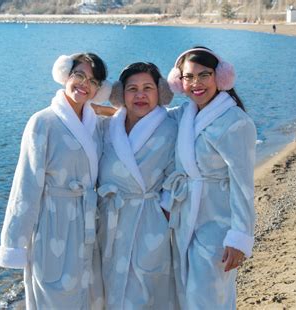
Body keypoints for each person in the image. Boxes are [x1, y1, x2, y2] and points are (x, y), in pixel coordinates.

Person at [0, 52, 111, 309]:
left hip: (89, 222)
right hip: (53, 223)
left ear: (99, 89)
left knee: (90, 295)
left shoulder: (97, 124)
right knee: (55, 294)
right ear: (65, 76)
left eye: (93, 81)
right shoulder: (43, 122)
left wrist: (98, 107)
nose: (84, 84)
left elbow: (128, 113)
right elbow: (25, 186)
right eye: (78, 75)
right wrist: (15, 244)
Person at [165, 47, 256, 308]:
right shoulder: (185, 114)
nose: (196, 84)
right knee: (187, 295)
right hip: (185, 219)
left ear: (221, 77)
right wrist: (92, 110)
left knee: (208, 297)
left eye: (203, 75)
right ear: (178, 81)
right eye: (188, 77)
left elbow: (243, 185)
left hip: (218, 222)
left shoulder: (235, 122)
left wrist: (239, 236)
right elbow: (150, 117)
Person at [97, 62, 177, 309]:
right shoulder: (106, 127)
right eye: (132, 88)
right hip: (109, 221)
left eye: (148, 88)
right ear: (120, 94)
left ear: (160, 92)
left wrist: (163, 215)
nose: (140, 95)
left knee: (145, 291)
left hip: (150, 222)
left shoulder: (171, 128)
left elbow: (178, 178)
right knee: (108, 286)